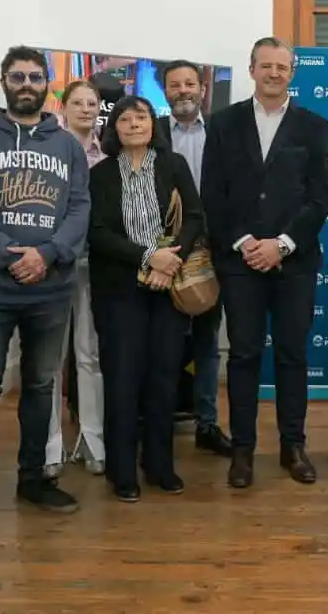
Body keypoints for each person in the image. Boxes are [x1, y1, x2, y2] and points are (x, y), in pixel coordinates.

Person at [0, 46, 91, 535]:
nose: (26, 83)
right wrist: (8, 254)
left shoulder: (68, 144)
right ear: (3, 81)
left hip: (50, 287)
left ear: (47, 83)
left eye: (35, 76)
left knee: (39, 385)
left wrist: (47, 255)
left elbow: (79, 207)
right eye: (18, 76)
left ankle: (33, 478)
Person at [200, 37, 328, 488]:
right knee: (243, 355)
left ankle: (292, 446)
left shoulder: (314, 126)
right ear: (252, 69)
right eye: (267, 66)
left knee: (293, 355)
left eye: (283, 67)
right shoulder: (222, 123)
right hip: (239, 262)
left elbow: (318, 199)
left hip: (293, 262)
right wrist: (245, 242)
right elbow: (212, 194)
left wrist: (283, 243)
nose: (275, 73)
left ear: (292, 72)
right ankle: (243, 451)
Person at [88, 95, 205, 500]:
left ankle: (160, 465)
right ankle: (122, 471)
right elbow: (98, 233)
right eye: (125, 117)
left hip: (169, 288)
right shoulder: (100, 174)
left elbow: (194, 216)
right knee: (122, 379)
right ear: (114, 127)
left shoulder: (174, 166)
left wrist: (169, 261)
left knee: (163, 378)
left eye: (141, 116)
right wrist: (146, 257)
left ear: (153, 125)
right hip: (119, 291)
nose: (134, 123)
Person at [156, 59, 232, 457]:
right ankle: (158, 421)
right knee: (164, 341)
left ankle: (207, 422)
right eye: (174, 85)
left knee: (206, 340)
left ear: (202, 90)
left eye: (190, 83)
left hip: (210, 251)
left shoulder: (221, 131)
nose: (183, 90)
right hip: (163, 251)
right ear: (165, 91)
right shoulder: (151, 133)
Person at [45, 79, 107, 478]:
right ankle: (50, 446)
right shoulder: (47, 150)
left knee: (90, 354)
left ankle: (92, 440)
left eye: (92, 103)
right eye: (78, 103)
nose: (86, 109)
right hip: (52, 263)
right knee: (50, 358)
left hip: (95, 265)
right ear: (63, 108)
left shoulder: (109, 155)